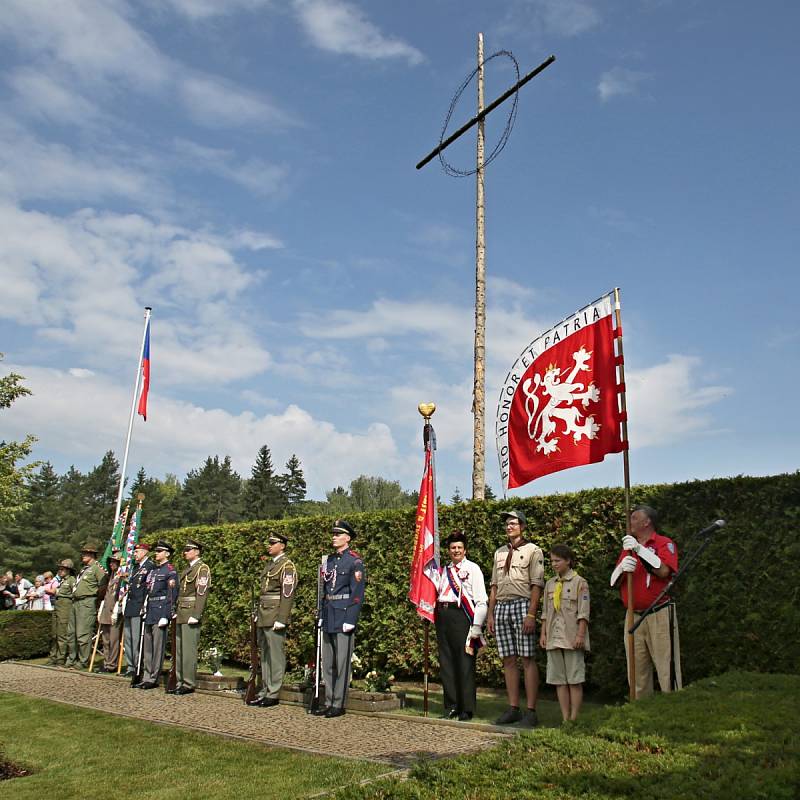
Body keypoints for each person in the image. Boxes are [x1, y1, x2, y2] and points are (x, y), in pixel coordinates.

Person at [610, 504, 682, 698]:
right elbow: (614, 582)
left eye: (634, 518)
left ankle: (673, 712)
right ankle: (640, 714)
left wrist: (640, 551)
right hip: (633, 616)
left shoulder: (663, 543)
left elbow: (664, 571)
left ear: (647, 521)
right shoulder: (627, 548)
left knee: (667, 669)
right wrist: (621, 568)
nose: (630, 522)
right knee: (636, 672)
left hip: (658, 612)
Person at [487, 509, 545, 728]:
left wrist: (531, 614)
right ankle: (513, 708)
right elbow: (493, 586)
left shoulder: (533, 551)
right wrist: (491, 614)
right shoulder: (499, 552)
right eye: (507, 524)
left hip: (522, 605)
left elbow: (536, 585)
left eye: (513, 523)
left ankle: (531, 711)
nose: (509, 526)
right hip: (501, 606)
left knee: (527, 658)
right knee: (508, 659)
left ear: (522, 526)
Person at [312, 520, 366, 718]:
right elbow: (324, 589)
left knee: (342, 662)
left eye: (338, 534)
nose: (334, 537)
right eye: (333, 534)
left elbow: (357, 592)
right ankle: (329, 701)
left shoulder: (354, 561)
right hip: (328, 613)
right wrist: (320, 613)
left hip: (343, 613)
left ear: (348, 538)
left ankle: (339, 703)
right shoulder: (328, 561)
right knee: (327, 663)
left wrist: (351, 617)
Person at [434, 530, 487, 722]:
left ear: (465, 550)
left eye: (459, 547)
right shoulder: (443, 570)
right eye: (452, 548)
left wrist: (477, 626)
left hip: (462, 617)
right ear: (448, 551)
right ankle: (452, 705)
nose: (456, 551)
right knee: (447, 662)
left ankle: (467, 708)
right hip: (444, 616)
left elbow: (481, 600)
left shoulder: (473, 569)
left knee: (465, 662)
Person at [539, 544, 590, 722]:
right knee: (558, 680)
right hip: (554, 637)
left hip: (572, 637)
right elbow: (545, 612)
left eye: (557, 560)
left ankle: (574, 718)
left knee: (574, 679)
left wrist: (580, 636)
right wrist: (543, 634)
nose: (554, 564)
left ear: (568, 561)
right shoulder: (550, 584)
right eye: (552, 561)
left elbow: (584, 613)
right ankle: (565, 718)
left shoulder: (580, 583)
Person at [247, 533, 297, 708]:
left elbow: (287, 593)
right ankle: (265, 689)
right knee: (265, 655)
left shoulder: (287, 566)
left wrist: (282, 618)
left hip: (275, 614)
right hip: (264, 614)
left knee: (275, 655)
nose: (269, 546)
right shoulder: (271, 565)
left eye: (273, 543)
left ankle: (274, 692)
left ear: (282, 545)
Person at [135, 540, 178, 690]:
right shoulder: (153, 571)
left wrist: (166, 614)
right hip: (150, 609)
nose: (156, 553)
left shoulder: (170, 571)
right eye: (156, 551)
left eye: (160, 551)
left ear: (167, 554)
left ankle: (153, 677)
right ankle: (146, 675)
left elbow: (172, 594)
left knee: (157, 647)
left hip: (160, 610)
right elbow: (148, 590)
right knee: (147, 647)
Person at [171, 539, 211, 695]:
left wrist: (196, 614)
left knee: (188, 650)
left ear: (197, 551)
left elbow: (201, 593)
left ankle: (188, 683)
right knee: (180, 650)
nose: (185, 552)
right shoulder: (188, 569)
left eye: (188, 549)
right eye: (185, 549)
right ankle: (180, 681)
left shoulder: (202, 569)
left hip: (190, 611)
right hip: (182, 611)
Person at [65, 542, 108, 670]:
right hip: (76, 602)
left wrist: (96, 599)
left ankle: (83, 660)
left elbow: (103, 585)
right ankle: (72, 658)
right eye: (83, 553)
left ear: (93, 555)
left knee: (83, 634)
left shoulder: (97, 568)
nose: (83, 555)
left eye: (86, 553)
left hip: (87, 602)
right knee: (71, 633)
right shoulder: (84, 569)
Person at [122, 541, 155, 677]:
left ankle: (137, 666)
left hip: (139, 607)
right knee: (128, 638)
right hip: (130, 606)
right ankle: (130, 665)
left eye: (137, 551)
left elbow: (148, 588)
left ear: (144, 552)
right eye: (134, 552)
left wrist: (145, 606)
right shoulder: (136, 568)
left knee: (136, 639)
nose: (135, 554)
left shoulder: (149, 567)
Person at [96, 550, 124, 673]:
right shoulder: (109, 577)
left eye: (115, 561)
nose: (112, 564)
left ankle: (112, 664)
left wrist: (118, 607)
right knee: (106, 639)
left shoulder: (122, 577)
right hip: (106, 610)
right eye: (111, 561)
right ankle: (106, 662)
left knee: (114, 640)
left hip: (115, 611)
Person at [47, 559, 76, 665]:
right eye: (59, 569)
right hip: (57, 607)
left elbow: (75, 594)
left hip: (65, 608)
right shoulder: (61, 581)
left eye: (62, 568)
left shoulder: (72, 580)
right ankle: (53, 657)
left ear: (68, 570)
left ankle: (60, 658)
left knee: (62, 635)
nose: (60, 570)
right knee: (54, 634)